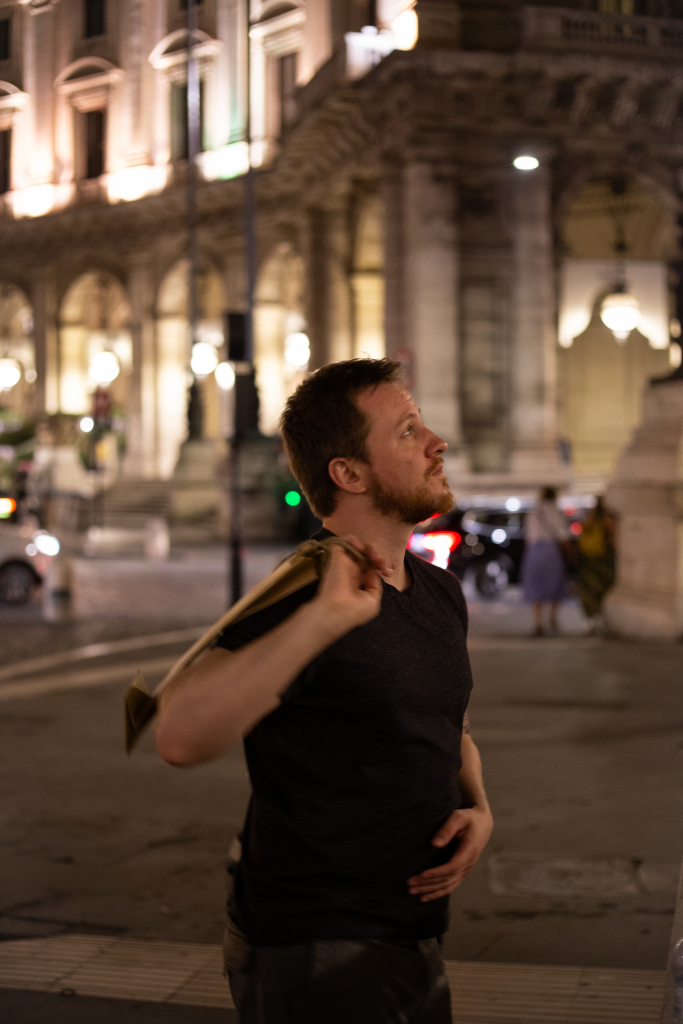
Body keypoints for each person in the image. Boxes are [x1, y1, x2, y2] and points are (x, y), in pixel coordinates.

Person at [155, 358, 493, 1024]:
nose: (437, 443)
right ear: (349, 474)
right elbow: (178, 734)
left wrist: (477, 805)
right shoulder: (302, 589)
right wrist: (322, 621)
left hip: (411, 931)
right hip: (314, 943)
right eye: (407, 431)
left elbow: (446, 727)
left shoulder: (438, 591)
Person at [521, 485, 571, 636]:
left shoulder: (533, 512)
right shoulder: (556, 512)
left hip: (534, 551)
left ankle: (538, 623)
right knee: (555, 584)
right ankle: (553, 618)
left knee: (535, 586)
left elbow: (528, 536)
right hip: (551, 551)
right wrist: (571, 554)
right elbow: (563, 536)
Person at [576, 496, 616, 634]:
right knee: (602, 590)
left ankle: (589, 620)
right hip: (602, 560)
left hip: (588, 560)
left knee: (588, 590)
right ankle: (600, 619)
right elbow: (613, 540)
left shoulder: (588, 518)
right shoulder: (608, 519)